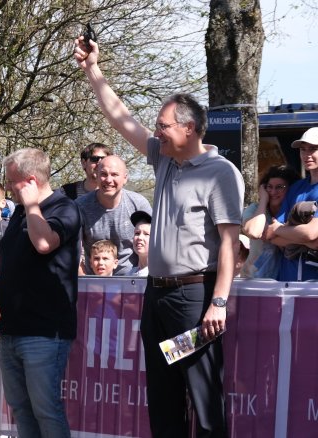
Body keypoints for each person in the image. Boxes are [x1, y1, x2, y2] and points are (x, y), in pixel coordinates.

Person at [76, 36, 242, 437]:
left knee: (202, 398)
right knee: (163, 394)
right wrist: (92, 69)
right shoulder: (164, 159)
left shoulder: (220, 174)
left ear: (189, 128)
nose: (158, 133)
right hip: (158, 296)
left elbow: (229, 245)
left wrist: (218, 302)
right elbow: (121, 118)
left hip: (193, 298)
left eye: (164, 126)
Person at [0, 148, 81, 437]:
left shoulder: (64, 208)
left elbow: (45, 244)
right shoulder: (20, 211)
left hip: (44, 331)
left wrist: (33, 207)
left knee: (46, 409)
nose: (8, 188)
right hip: (11, 329)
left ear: (31, 180)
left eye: (12, 182)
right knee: (21, 409)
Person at [75, 155, 151, 274]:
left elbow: (153, 245)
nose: (108, 180)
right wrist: (86, 283)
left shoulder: (139, 204)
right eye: (104, 174)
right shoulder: (80, 206)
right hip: (94, 284)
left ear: (125, 178)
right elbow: (74, 252)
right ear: (97, 176)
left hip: (133, 282)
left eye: (114, 174)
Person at [263, 128, 318, 281]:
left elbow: (311, 233)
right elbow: (271, 236)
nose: (307, 155)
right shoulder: (296, 188)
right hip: (288, 280)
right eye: (303, 149)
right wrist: (307, 241)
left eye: (313, 149)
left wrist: (281, 230)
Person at [241, 165, 300, 278]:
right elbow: (254, 232)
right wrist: (263, 199)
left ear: (291, 188)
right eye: (269, 187)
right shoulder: (255, 209)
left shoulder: (296, 213)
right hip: (253, 279)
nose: (273, 191)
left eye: (279, 187)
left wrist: (275, 233)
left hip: (287, 279)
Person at [126, 210, 151, 276]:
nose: (140, 237)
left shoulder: (158, 275)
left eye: (146, 234)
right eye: (137, 233)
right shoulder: (129, 275)